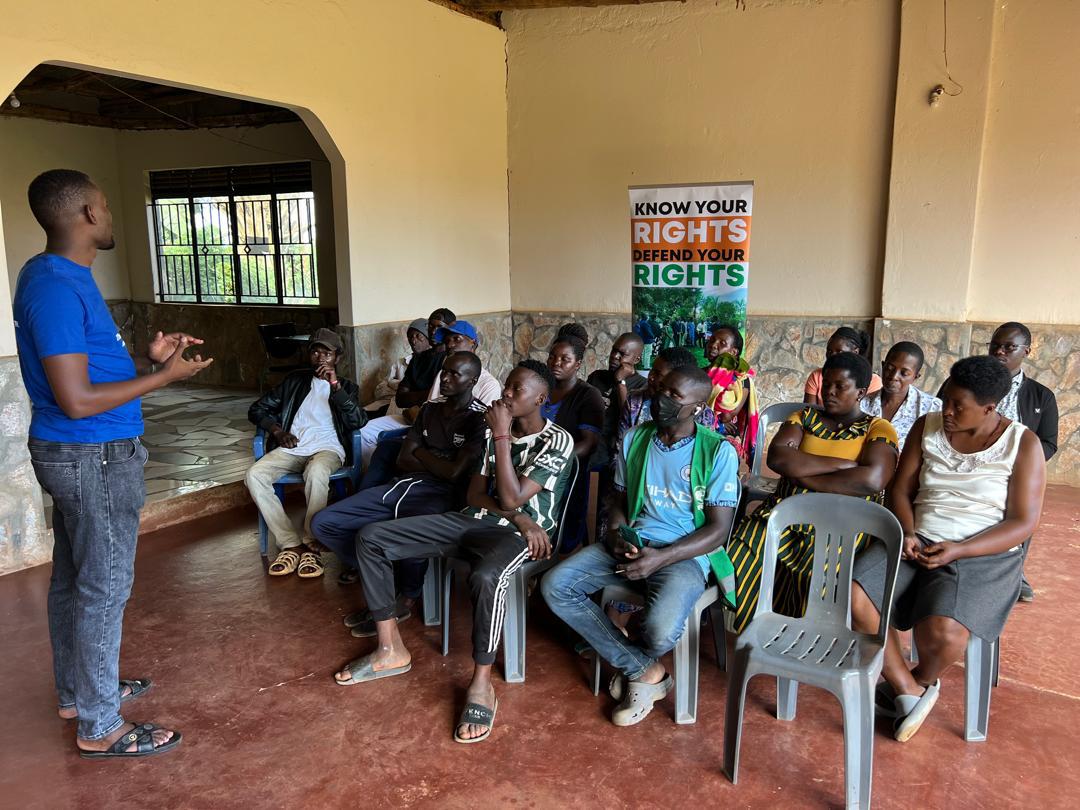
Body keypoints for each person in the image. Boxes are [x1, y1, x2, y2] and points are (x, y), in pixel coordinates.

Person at [14, 169, 213, 758]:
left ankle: (81, 693)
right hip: (92, 457)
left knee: (77, 579)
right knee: (104, 586)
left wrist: (144, 362)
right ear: (85, 215)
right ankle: (100, 725)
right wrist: (163, 377)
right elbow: (75, 401)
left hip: (87, 454)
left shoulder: (58, 276)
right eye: (104, 205)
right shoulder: (55, 285)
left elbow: (86, 373)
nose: (110, 214)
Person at [334, 360, 574, 745]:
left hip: (516, 540)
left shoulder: (556, 440)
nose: (505, 395)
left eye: (516, 390)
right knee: (371, 537)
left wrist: (501, 442)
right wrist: (520, 517)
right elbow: (475, 495)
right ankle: (389, 647)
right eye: (506, 386)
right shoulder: (497, 429)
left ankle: (481, 683)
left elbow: (511, 493)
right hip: (475, 519)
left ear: (540, 399)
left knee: (484, 576)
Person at [850, 356, 1046, 742]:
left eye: (960, 406)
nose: (949, 412)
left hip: (981, 552)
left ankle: (914, 681)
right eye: (946, 401)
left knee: (945, 634)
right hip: (915, 539)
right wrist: (907, 531)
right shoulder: (928, 427)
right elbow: (901, 490)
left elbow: (1023, 523)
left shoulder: (1022, 443)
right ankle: (908, 690)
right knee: (856, 597)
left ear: (990, 408)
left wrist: (959, 550)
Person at [542, 366, 739, 726]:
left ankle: (636, 669)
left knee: (660, 629)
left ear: (697, 407)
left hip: (685, 554)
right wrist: (617, 533)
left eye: (675, 396)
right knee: (556, 585)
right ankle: (645, 672)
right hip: (635, 543)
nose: (661, 399)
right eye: (662, 389)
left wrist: (661, 558)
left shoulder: (717, 452)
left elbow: (718, 530)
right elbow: (618, 499)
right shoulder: (635, 438)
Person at [311, 352, 488, 635]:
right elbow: (402, 459)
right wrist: (434, 458)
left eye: (456, 374)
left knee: (409, 535)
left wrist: (421, 452)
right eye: (444, 371)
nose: (445, 377)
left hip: (441, 497)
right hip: (402, 486)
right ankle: (383, 577)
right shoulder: (430, 410)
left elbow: (454, 474)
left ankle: (406, 595)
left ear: (473, 381)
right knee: (323, 523)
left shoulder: (479, 420)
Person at [728, 352, 899, 632]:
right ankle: (758, 627)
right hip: (785, 511)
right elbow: (779, 459)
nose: (829, 391)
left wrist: (804, 478)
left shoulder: (877, 428)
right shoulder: (804, 416)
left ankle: (803, 633)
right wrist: (842, 465)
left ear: (860, 392)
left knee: (819, 572)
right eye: (826, 383)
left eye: (839, 386)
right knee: (745, 551)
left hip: (843, 523)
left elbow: (872, 480)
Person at [247, 328, 366, 578]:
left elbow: (357, 421)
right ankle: (291, 543)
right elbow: (257, 409)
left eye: (327, 353)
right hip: (292, 448)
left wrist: (335, 387)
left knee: (317, 470)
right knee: (255, 474)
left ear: (338, 358)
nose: (320, 358)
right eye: (315, 352)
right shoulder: (294, 382)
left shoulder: (347, 387)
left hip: (327, 450)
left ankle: (312, 542)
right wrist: (278, 432)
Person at [983, 322, 1058, 602]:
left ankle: (1015, 572)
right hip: (969, 463)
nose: (1000, 352)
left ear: (1026, 351)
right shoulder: (967, 384)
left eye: (1009, 347)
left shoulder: (1041, 396)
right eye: (995, 346)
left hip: (1015, 471)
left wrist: (1022, 468)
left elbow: (1048, 442)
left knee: (1024, 500)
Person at [358, 307, 455, 466]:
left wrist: (417, 396)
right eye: (430, 326)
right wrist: (428, 394)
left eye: (438, 327)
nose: (433, 331)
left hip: (434, 422)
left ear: (449, 329)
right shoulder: (418, 359)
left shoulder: (450, 361)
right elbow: (401, 399)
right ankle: (369, 473)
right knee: (364, 432)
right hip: (408, 415)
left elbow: (443, 398)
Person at [618, 347, 716, 442]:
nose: (650, 377)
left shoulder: (703, 414)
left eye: (658, 374)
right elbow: (622, 446)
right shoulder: (635, 402)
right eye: (652, 370)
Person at [861, 341, 941, 450]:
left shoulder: (931, 408)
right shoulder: (862, 404)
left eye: (904, 373)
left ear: (915, 377)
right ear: (883, 366)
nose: (894, 376)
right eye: (889, 368)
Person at [585, 332, 647, 464]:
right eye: (614, 350)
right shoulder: (597, 377)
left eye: (622, 354)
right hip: (588, 442)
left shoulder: (643, 386)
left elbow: (630, 418)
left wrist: (620, 382)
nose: (614, 356)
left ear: (636, 359)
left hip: (613, 452)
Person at [704, 324, 760, 462]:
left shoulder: (741, 380)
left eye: (722, 343)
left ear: (734, 352)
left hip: (726, 433)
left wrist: (715, 420)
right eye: (712, 340)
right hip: (702, 429)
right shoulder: (700, 373)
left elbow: (728, 416)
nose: (713, 345)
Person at [426, 320, 503, 405]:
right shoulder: (442, 374)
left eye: (457, 339)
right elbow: (429, 408)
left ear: (473, 344)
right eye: (447, 341)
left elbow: (483, 418)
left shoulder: (489, 385)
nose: (450, 345)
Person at [364, 318, 431, 415]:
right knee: (363, 413)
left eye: (418, 336)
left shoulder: (434, 363)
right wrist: (400, 387)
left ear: (428, 338)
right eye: (410, 337)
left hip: (415, 412)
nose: (413, 340)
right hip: (394, 405)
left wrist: (396, 385)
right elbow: (380, 390)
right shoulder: (401, 363)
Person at [804, 326, 882, 406]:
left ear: (855, 352)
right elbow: (808, 412)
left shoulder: (873, 381)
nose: (833, 356)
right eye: (829, 351)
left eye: (839, 351)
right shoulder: (816, 376)